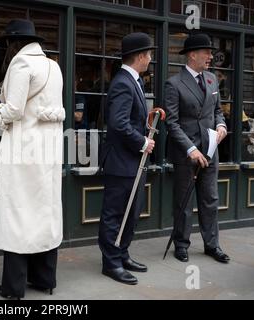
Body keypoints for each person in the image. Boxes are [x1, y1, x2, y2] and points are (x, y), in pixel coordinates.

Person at [0, 19, 65, 299]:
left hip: (22, 150)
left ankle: (13, 287)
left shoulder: (20, 64)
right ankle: (44, 278)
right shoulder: (53, 66)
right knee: (45, 212)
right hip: (48, 152)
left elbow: (14, 110)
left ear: (13, 43)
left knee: (17, 214)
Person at [164, 33, 230, 264]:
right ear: (192, 55)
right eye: (207, 52)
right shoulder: (174, 83)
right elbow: (171, 123)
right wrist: (191, 149)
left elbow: (218, 111)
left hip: (210, 151)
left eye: (210, 53)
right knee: (183, 201)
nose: (211, 56)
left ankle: (212, 245)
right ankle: (181, 245)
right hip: (187, 153)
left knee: (210, 199)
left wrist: (221, 125)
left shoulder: (212, 79)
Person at [98, 32, 156, 285]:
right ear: (141, 56)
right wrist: (143, 141)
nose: (150, 59)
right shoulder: (123, 81)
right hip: (122, 162)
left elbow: (128, 118)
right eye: (149, 55)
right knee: (115, 214)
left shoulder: (133, 81)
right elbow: (118, 123)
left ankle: (121, 253)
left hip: (132, 162)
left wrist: (147, 118)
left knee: (131, 213)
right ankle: (111, 263)